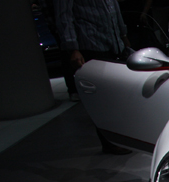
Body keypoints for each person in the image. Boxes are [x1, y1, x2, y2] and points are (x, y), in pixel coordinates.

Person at [54, 0, 132, 154]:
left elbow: (113, 6)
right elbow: (64, 16)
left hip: (114, 43)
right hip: (91, 43)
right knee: (102, 100)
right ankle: (110, 142)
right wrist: (72, 48)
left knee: (117, 96)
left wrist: (123, 34)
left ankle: (121, 137)